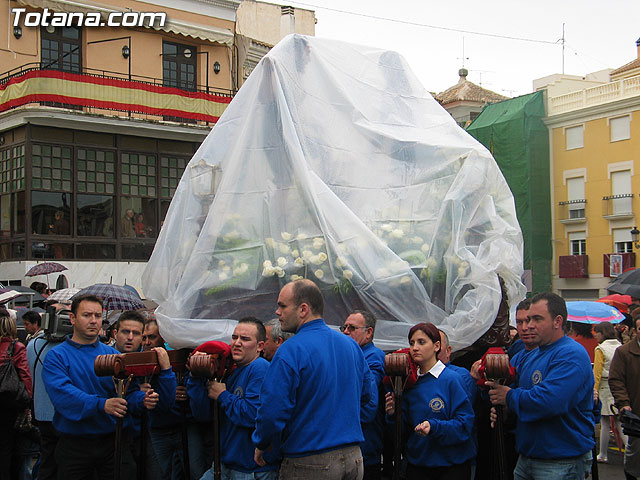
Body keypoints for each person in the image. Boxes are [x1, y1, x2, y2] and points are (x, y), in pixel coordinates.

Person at [253, 279, 376, 479]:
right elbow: (367, 396)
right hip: (353, 458)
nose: (277, 312)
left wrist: (261, 442)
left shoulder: (290, 350)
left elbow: (272, 410)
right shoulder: (351, 345)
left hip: (309, 461)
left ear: (303, 309)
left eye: (282, 306)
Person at [42, 294, 160, 479]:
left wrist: (142, 399)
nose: (93, 321)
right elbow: (63, 396)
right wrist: (102, 405)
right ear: (72, 318)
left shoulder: (114, 356)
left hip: (113, 443)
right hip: (75, 447)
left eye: (98, 316)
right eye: (87, 315)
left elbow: (126, 395)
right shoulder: (57, 356)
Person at [486, 292, 595, 480]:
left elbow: (550, 401)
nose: (528, 326)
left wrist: (509, 397)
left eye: (537, 319)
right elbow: (520, 397)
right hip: (527, 458)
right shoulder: (531, 356)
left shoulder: (571, 354)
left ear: (557, 321)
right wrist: (505, 410)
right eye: (527, 319)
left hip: (560, 461)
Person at [189, 317, 279, 480]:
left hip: (251, 471)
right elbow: (202, 415)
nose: (237, 343)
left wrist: (223, 396)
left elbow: (253, 415)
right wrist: (196, 377)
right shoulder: (230, 371)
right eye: (234, 337)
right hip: (225, 466)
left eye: (245, 339)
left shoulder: (259, 368)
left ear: (259, 346)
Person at [384, 322, 475, 480]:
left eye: (421, 342)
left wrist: (434, 427)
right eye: (412, 343)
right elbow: (403, 432)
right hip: (418, 465)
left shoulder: (452, 379)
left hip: (451, 466)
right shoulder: (409, 382)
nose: (415, 348)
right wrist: (393, 414)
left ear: (436, 346)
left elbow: (465, 425)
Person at [143, 318, 211, 480]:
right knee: (165, 474)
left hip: (185, 426)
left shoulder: (183, 356)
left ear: (165, 337)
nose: (147, 342)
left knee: (196, 472)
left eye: (152, 337)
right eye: (144, 337)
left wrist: (187, 390)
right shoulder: (142, 360)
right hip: (158, 428)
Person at [342, 310, 386, 480]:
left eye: (352, 328)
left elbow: (367, 407)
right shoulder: (350, 355)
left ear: (369, 332)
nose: (346, 332)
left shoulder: (373, 358)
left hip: (365, 448)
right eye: (344, 327)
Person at [0, 309, 33, 480]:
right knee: (7, 448)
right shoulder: (16, 347)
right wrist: (27, 402)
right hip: (9, 405)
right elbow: (25, 376)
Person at [27, 320, 60, 480]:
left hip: (40, 412)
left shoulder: (32, 344)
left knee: (47, 459)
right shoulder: (63, 350)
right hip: (60, 414)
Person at [609, 315, 640, 480]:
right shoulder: (624, 353)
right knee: (635, 452)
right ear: (635, 331)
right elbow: (616, 379)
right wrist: (624, 403)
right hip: (635, 412)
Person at [593, 321, 625, 463]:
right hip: (619, 386)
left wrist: (594, 389)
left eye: (597, 333)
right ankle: (629, 451)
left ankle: (603, 454)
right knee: (620, 422)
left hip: (605, 388)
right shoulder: (620, 346)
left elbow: (597, 373)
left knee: (605, 422)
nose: (595, 336)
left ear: (603, 333)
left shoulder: (600, 349)